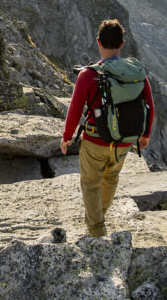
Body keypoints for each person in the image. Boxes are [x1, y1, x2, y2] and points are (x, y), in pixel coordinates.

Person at [61, 19, 154, 237]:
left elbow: (74, 110)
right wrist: (145, 135)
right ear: (122, 44)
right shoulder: (136, 72)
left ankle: (96, 229)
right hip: (125, 141)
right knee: (111, 179)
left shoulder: (88, 75)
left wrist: (66, 137)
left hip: (95, 140)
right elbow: (149, 104)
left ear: (98, 42)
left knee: (91, 184)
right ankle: (99, 216)